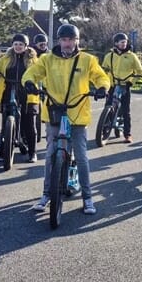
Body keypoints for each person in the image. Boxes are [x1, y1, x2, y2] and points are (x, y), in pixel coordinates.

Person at [22, 24, 110, 214]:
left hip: (77, 114)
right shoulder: (47, 59)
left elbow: (100, 76)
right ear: (59, 41)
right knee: (51, 155)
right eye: (64, 39)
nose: (67, 43)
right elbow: (33, 72)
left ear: (77, 41)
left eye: (71, 40)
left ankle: (87, 198)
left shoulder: (87, 60)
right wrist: (29, 82)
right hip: (54, 112)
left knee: (81, 156)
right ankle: (46, 195)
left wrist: (102, 87)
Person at [0, 33, 39, 162]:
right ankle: (3, 152)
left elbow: (38, 73)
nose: (18, 47)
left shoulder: (32, 59)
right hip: (9, 90)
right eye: (15, 44)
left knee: (29, 124)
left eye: (21, 44)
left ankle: (32, 153)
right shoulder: (6, 57)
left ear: (26, 46)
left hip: (27, 92)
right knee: (5, 123)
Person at [101, 32, 142, 143]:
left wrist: (132, 82)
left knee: (126, 111)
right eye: (121, 42)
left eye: (125, 42)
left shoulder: (132, 56)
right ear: (115, 43)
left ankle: (127, 134)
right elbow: (103, 69)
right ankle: (103, 129)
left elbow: (140, 72)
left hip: (126, 86)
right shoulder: (109, 56)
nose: (124, 44)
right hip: (112, 85)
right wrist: (105, 77)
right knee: (108, 106)